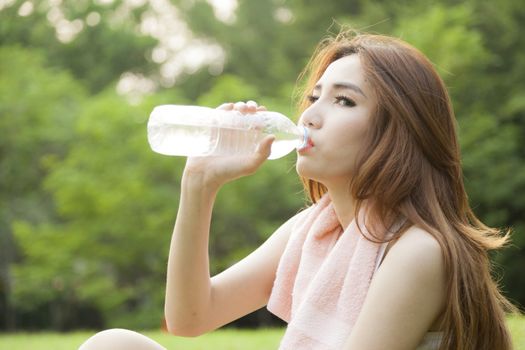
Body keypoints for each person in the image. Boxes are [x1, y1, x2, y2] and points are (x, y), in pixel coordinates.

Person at [79, 31, 517, 350]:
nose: (310, 116)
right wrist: (199, 186)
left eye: (344, 101)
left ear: (399, 130)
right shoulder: (316, 230)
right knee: (113, 345)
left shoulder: (419, 249)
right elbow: (189, 317)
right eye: (313, 98)